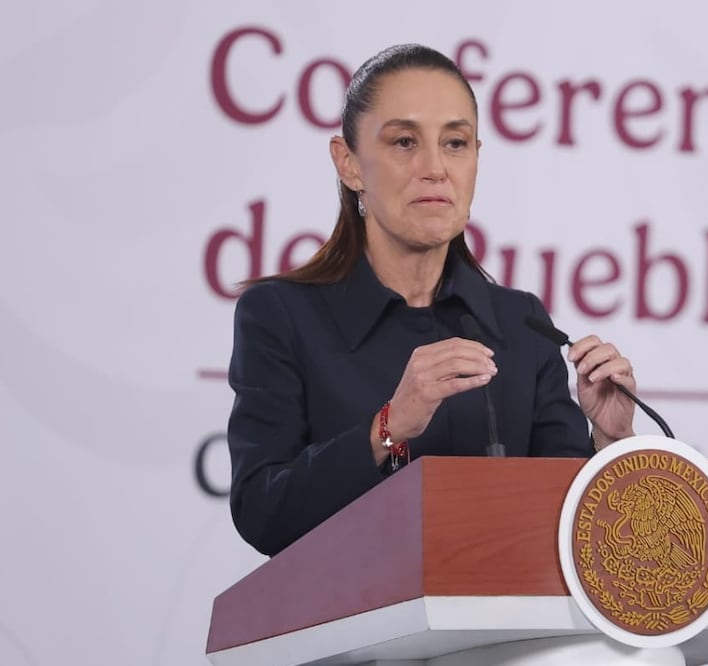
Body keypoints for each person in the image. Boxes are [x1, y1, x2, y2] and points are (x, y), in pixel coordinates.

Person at [226, 44, 638, 557]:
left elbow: (575, 536)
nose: (435, 168)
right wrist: (389, 426)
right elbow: (262, 514)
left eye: (456, 143)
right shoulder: (281, 314)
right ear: (349, 163)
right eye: (404, 141)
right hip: (356, 631)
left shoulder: (521, 323)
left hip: (509, 632)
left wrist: (610, 441)